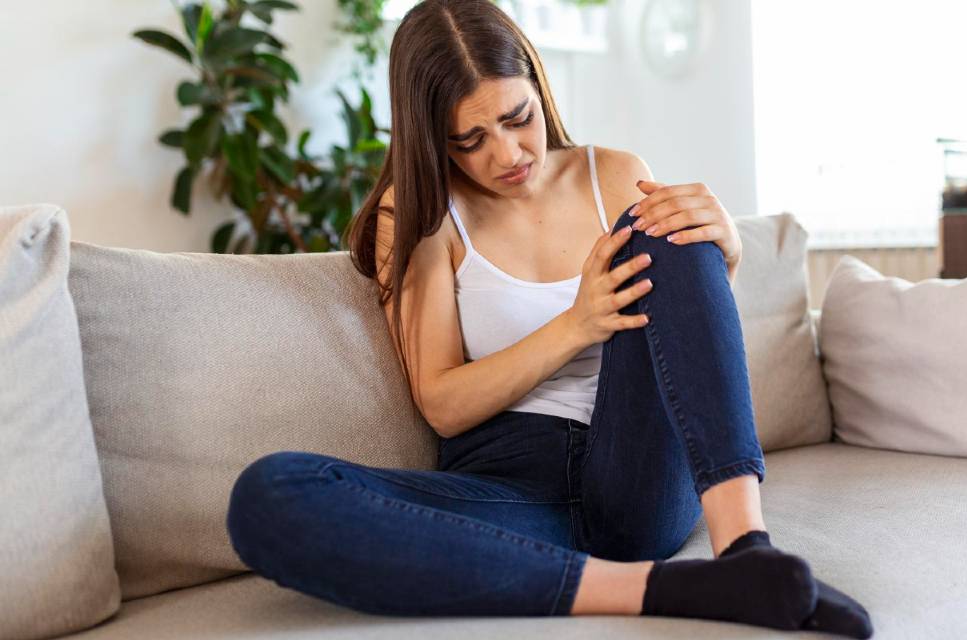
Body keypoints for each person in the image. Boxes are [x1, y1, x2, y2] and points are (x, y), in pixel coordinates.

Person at [225, 0, 871, 636]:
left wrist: (720, 257)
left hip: (638, 473)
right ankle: (667, 589)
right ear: (432, 139)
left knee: (669, 227)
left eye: (517, 118)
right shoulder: (420, 214)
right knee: (269, 496)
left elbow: (679, 347)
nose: (507, 154)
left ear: (537, 85)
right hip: (509, 491)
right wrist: (577, 323)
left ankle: (745, 554)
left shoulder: (616, 175)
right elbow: (443, 403)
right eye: (470, 140)